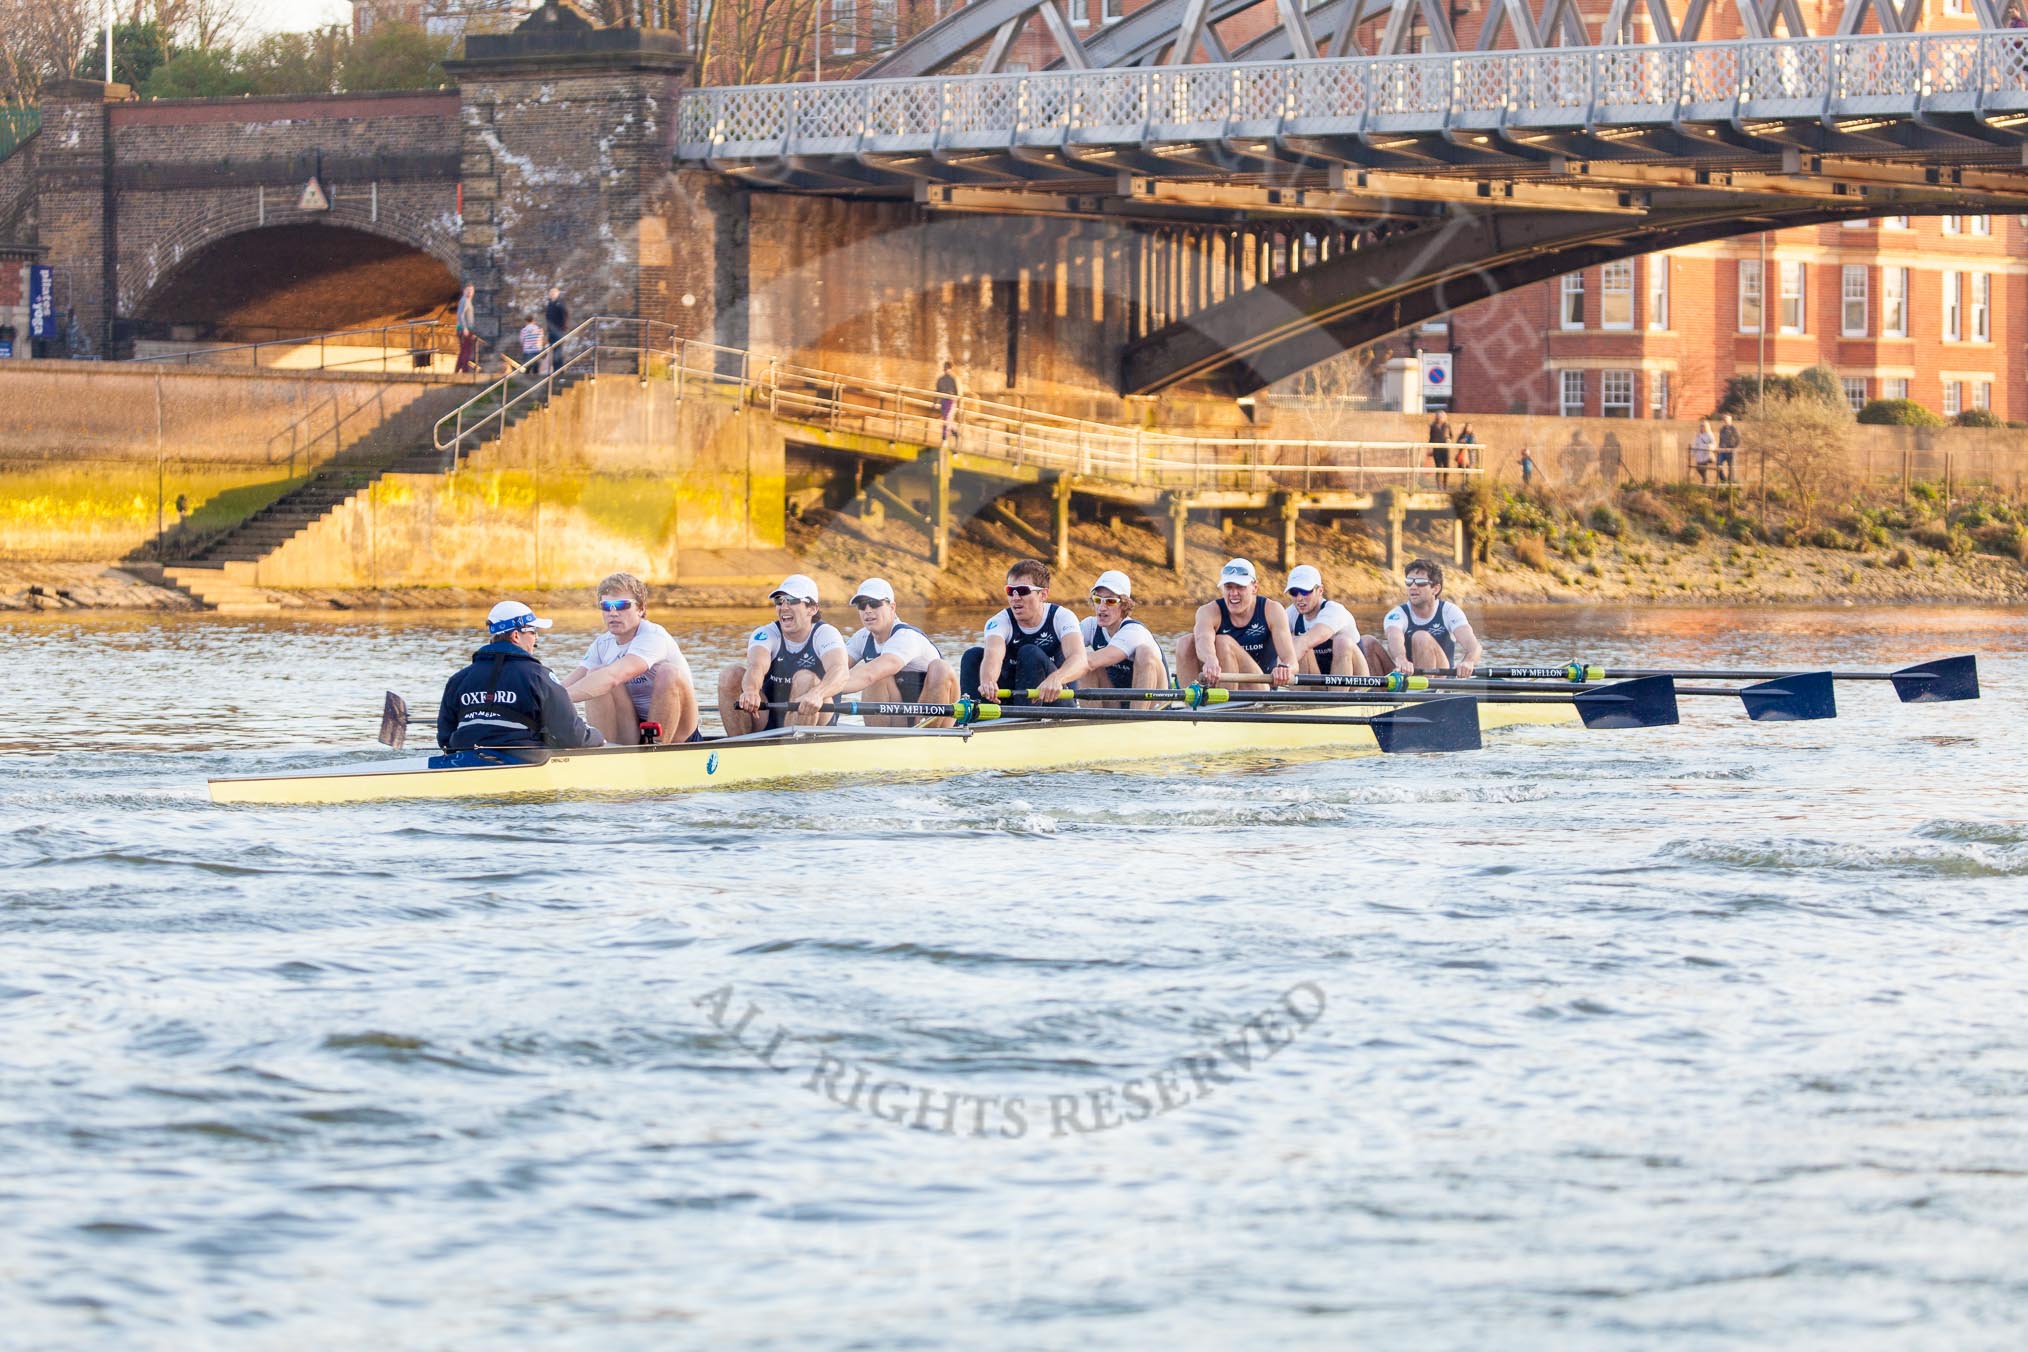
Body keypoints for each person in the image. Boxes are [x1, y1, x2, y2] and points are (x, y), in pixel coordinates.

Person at [437, 601, 603, 755]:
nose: (536, 638)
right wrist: (597, 736)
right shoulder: (539, 676)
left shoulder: (458, 679)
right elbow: (573, 736)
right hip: (523, 760)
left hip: (464, 758)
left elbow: (444, 738)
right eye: (533, 631)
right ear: (516, 635)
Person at [558, 572, 701, 745]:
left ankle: (658, 747)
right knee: (594, 673)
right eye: (606, 606)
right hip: (632, 726)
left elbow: (614, 676)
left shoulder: (653, 637)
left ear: (641, 609)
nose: (613, 613)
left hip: (679, 731)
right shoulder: (602, 644)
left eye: (622, 605)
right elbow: (568, 684)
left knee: (668, 672)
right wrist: (538, 699)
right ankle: (604, 750)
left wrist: (556, 700)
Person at [798, 577, 958, 728]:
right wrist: (800, 685)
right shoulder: (862, 637)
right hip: (899, 718)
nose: (867, 610)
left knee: (939, 668)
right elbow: (831, 668)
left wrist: (820, 691)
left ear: (892, 607)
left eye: (874, 603)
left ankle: (928, 738)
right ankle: (881, 740)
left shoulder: (906, 637)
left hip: (938, 719)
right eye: (861, 605)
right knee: (830, 676)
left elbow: (869, 674)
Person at [718, 574, 849, 736]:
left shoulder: (826, 634)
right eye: (780, 601)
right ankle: (737, 746)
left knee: (804, 678)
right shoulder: (766, 634)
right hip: (769, 714)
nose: (784, 607)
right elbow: (756, 666)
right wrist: (751, 690)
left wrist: (817, 693)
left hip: (816, 713)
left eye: (793, 600)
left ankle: (797, 746)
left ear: (812, 609)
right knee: (729, 675)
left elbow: (840, 671)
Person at [1033, 569, 1169, 707]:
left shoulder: (1134, 631)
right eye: (1097, 600)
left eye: (1110, 601)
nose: (1102, 608)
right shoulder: (1090, 626)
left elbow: (1090, 662)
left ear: (1124, 604)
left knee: (1144, 652)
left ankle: (1139, 719)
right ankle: (1091, 721)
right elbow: (1055, 648)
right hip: (1117, 702)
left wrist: (1056, 678)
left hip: (1155, 705)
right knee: (1081, 658)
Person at [959, 558, 1087, 701]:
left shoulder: (1063, 617)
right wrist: (987, 681)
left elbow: (1080, 660)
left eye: (1022, 591)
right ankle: (973, 713)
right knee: (972, 655)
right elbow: (993, 655)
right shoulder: (999, 621)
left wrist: (1056, 678)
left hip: (1054, 697)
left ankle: (1024, 718)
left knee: (1030, 652)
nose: (1015, 598)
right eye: (1010, 591)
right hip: (1016, 694)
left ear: (1043, 594)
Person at [1173, 557, 1296, 690]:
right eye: (1228, 587)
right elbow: (1202, 638)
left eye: (1240, 587)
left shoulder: (1272, 610)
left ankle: (1227, 704)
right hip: (1222, 682)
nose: (1233, 593)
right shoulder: (1208, 611)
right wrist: (1210, 659)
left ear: (1255, 587)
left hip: (1260, 686)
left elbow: (1291, 661)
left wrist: (1285, 669)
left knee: (1223, 641)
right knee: (1184, 643)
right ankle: (1191, 704)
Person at [1381, 558, 1482, 678]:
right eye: (1409, 582)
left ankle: (1425, 692)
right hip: (1406, 676)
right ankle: (1369, 693)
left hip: (1441, 678)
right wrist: (1401, 658)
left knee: (1421, 637)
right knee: (1368, 642)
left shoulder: (1450, 611)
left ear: (1436, 589)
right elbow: (1394, 636)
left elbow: (1474, 647)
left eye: (1420, 582)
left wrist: (1468, 661)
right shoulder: (1397, 614)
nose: (1412, 587)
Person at [1283, 564, 1373, 677]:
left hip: (1353, 684)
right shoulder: (1291, 613)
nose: (1300, 598)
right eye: (1294, 592)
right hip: (1318, 683)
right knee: (1291, 641)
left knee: (1342, 641)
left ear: (1320, 590)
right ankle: (1303, 694)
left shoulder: (1334, 611)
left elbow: (1306, 641)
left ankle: (1339, 695)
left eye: (1305, 591)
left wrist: (1284, 666)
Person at [454, 283, 478, 374]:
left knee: (464, 350)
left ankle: (458, 369)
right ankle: (464, 370)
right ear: (464, 291)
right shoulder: (465, 300)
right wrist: (464, 328)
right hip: (465, 329)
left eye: (471, 291)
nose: (470, 292)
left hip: (467, 329)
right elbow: (460, 314)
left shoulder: (467, 301)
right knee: (466, 351)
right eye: (468, 290)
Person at [935, 361, 960, 445]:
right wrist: (934, 402)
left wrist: (955, 401)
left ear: (951, 368)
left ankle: (944, 439)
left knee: (947, 419)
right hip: (943, 401)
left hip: (951, 401)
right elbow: (937, 391)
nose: (945, 369)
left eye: (947, 367)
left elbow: (958, 393)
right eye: (944, 367)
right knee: (946, 420)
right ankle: (955, 433)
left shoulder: (954, 379)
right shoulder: (940, 379)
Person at [1690, 419, 1716, 484]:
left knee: (1702, 469)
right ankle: (1705, 481)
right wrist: (1692, 453)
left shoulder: (1710, 435)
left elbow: (1713, 444)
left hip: (1706, 454)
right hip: (1700, 455)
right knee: (1699, 469)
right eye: (1700, 426)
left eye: (1702, 426)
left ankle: (1706, 481)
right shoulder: (1699, 435)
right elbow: (1695, 444)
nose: (1701, 428)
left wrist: (1708, 447)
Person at [543, 286, 568, 356]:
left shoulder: (560, 303)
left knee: (558, 351)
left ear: (557, 294)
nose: (551, 295)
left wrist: (563, 327)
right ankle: (554, 366)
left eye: (553, 293)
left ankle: (559, 366)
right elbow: (548, 316)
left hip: (559, 330)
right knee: (553, 351)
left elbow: (565, 314)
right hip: (551, 331)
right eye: (550, 293)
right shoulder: (550, 304)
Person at [1717, 413, 1741, 485]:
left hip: (1731, 451)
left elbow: (1738, 440)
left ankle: (1731, 484)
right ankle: (1723, 481)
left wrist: (1733, 448)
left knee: (1731, 467)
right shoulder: (1722, 429)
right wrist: (1719, 447)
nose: (1725, 420)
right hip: (1722, 451)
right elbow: (1720, 439)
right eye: (1724, 419)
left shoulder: (1734, 429)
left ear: (1730, 420)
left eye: (1727, 419)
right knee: (1718, 465)